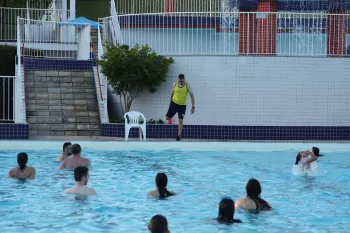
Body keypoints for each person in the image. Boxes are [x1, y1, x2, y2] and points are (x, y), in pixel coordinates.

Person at [165, 74, 195, 141]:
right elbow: (172, 93)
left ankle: (179, 135)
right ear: (178, 80)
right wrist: (170, 103)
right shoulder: (175, 84)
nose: (181, 82)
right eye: (179, 81)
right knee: (167, 118)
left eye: (182, 81)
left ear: (184, 79)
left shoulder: (187, 85)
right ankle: (173, 113)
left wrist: (193, 107)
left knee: (180, 120)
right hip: (174, 103)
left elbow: (192, 96)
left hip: (182, 105)